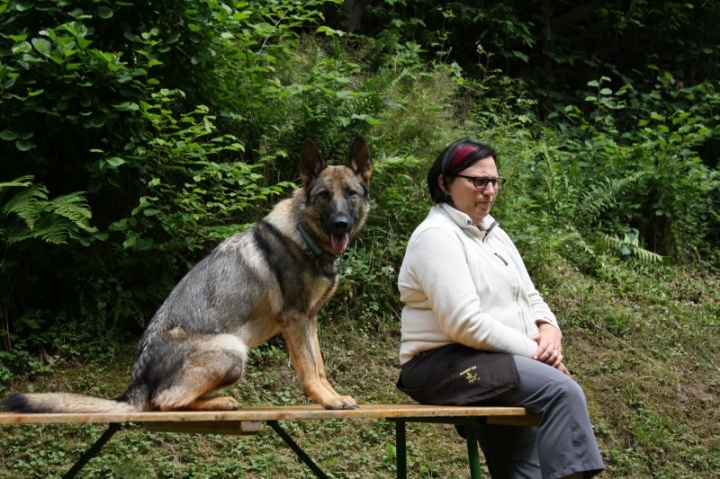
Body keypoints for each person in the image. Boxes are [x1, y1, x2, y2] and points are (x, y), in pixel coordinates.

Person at [396, 139, 605, 479]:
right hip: (442, 364)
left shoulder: (494, 233)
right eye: (478, 181)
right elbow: (464, 324)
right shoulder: (436, 236)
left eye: (495, 182)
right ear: (444, 183)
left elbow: (530, 296)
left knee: (523, 464)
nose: (490, 190)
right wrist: (537, 354)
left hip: (496, 361)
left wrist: (550, 331)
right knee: (561, 391)